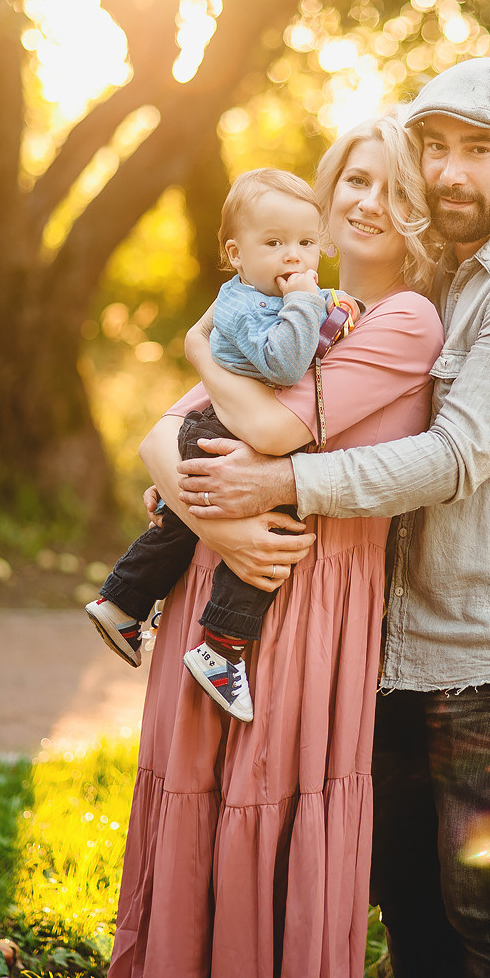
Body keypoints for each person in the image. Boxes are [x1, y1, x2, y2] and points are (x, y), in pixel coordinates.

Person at [177, 58, 490, 978]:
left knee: (487, 918)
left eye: (479, 150)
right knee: (411, 910)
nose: (450, 172)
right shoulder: (444, 280)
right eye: (436, 148)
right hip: (413, 649)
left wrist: (282, 483)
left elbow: (453, 458)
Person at [106, 112, 444, 978]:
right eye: (356, 181)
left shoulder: (403, 321)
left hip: (310, 594)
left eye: (394, 187)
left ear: (419, 211)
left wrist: (198, 354)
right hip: (225, 572)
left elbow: (261, 426)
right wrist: (218, 525)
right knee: (197, 791)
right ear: (325, 198)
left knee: (268, 795)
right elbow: (155, 440)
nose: (369, 201)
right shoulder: (276, 303)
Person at [85, 167, 359, 723]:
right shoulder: (237, 305)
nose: (294, 258)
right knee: (275, 522)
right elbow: (285, 360)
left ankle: (122, 602)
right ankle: (222, 646)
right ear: (236, 253)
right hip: (224, 431)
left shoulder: (275, 295)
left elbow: (311, 338)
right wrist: (312, 303)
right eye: (275, 243)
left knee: (184, 524)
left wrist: (334, 306)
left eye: (307, 243)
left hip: (225, 426)